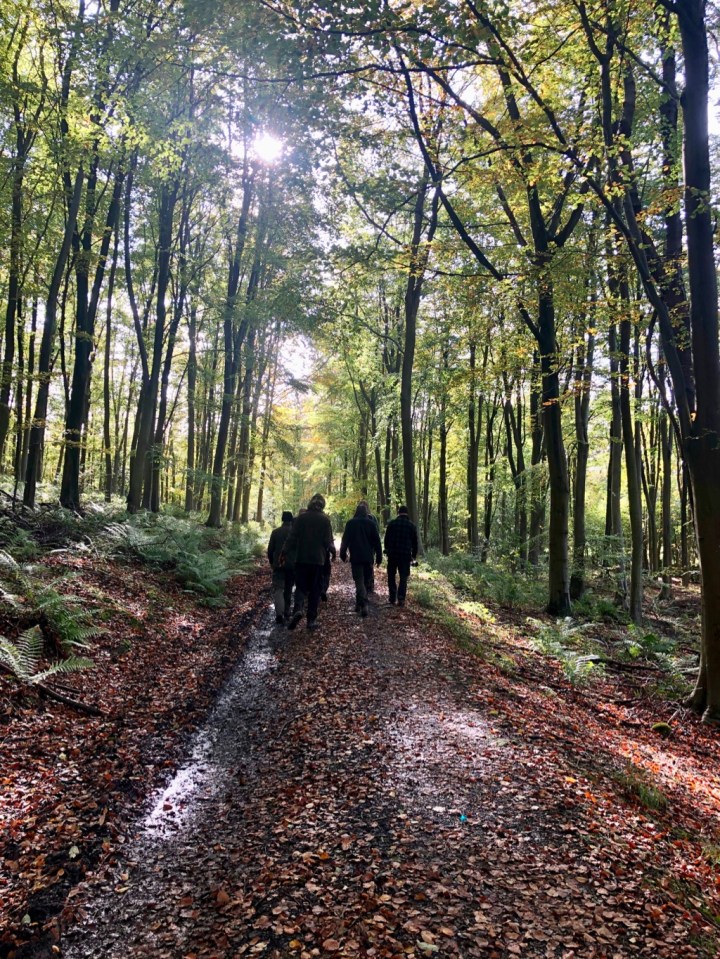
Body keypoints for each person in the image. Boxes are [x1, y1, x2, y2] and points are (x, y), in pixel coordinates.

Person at [284, 493, 335, 631]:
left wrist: (284, 552)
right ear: (322, 505)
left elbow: (292, 537)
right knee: (315, 589)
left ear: (310, 504)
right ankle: (311, 620)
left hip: (301, 559)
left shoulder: (301, 518)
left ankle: (298, 609)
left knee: (300, 587)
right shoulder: (325, 520)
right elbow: (328, 541)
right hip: (318, 560)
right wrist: (334, 552)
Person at [340, 503, 382, 617]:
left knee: (359, 581)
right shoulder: (371, 524)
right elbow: (377, 542)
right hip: (368, 558)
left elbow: (345, 540)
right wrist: (379, 557)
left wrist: (342, 554)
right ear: (366, 512)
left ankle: (361, 603)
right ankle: (361, 603)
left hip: (356, 557)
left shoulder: (350, 523)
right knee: (364, 581)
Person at [384, 505, 419, 607]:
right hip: (405, 556)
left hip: (392, 555)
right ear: (407, 513)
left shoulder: (392, 524)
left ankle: (392, 597)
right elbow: (415, 544)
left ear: (398, 513)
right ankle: (401, 598)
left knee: (391, 576)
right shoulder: (411, 526)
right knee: (403, 577)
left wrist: (387, 549)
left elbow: (386, 539)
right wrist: (413, 556)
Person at [267, 511, 295, 625]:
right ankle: (287, 612)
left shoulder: (275, 532)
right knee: (288, 589)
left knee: (278, 589)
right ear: (291, 520)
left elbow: (270, 550)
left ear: (282, 519)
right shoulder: (295, 533)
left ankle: (279, 614)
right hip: (291, 566)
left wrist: (272, 562)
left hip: (278, 565)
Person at [358, 500, 380, 592]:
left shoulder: (372, 518)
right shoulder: (372, 518)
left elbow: (376, 534)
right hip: (368, 547)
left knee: (368, 567)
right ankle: (367, 586)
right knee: (368, 566)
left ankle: (368, 586)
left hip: (368, 547)